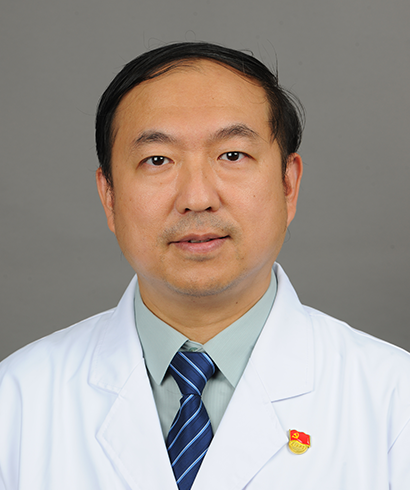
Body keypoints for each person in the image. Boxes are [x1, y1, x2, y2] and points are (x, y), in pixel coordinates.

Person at [0, 42, 409, 490]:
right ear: (109, 196)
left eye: (232, 155)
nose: (197, 198)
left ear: (288, 185)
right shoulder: (17, 400)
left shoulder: (394, 400)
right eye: (157, 160)